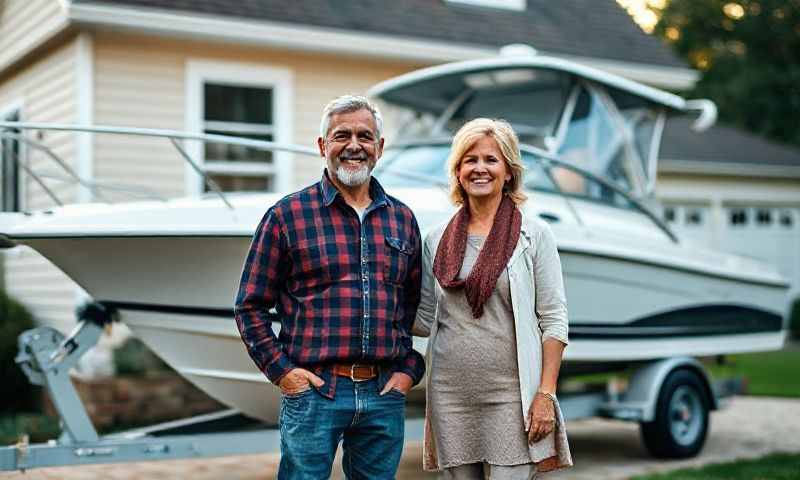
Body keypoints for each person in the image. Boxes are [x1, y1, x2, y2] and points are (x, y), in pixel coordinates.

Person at [234, 94, 425, 479]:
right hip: (314, 393)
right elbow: (250, 306)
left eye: (365, 136)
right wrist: (283, 373)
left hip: (383, 393)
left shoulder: (402, 219)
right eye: (342, 135)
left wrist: (408, 369)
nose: (354, 146)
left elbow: (412, 306)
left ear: (380, 148)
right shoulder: (287, 216)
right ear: (323, 146)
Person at [413, 118, 573, 479]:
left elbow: (554, 319)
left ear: (509, 171)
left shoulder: (534, 235)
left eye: (491, 159)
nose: (479, 168)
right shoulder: (435, 239)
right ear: (457, 170)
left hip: (511, 397)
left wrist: (545, 394)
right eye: (469, 160)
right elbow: (422, 317)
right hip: (450, 395)